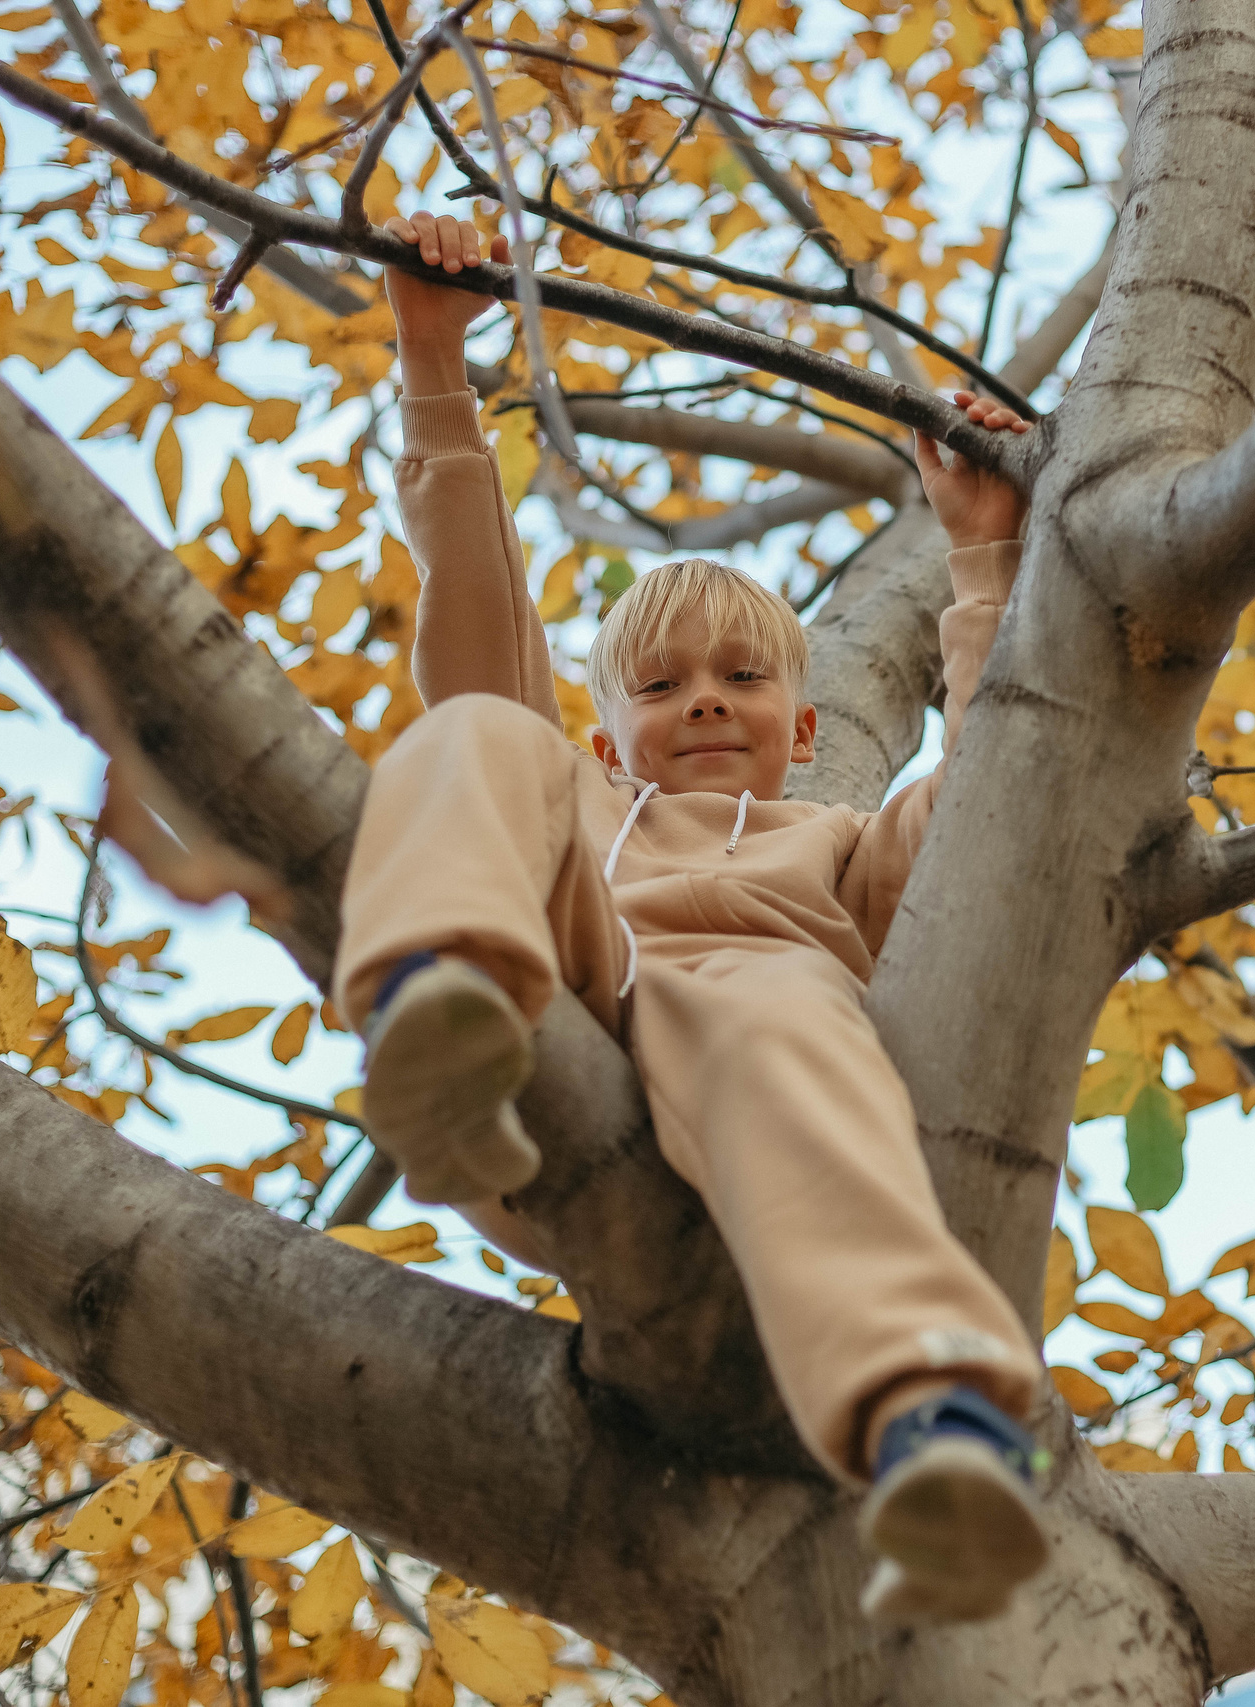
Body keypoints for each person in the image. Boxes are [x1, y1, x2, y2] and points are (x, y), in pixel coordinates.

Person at [334, 211, 1048, 1625]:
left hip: (760, 1130)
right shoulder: (583, 800)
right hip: (552, 1061)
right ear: (612, 744)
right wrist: (432, 358)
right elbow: (478, 646)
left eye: (738, 679)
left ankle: (937, 1425)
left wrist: (987, 563)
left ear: (807, 733)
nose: (703, 699)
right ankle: (439, 1008)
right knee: (472, 733)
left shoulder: (848, 853)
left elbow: (1006, 793)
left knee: (774, 1004)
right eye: (656, 690)